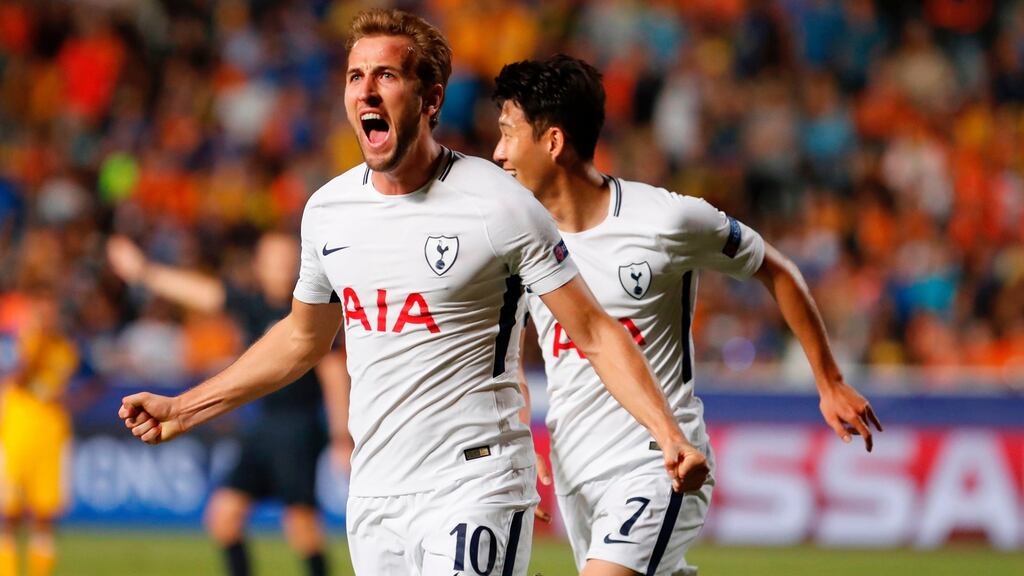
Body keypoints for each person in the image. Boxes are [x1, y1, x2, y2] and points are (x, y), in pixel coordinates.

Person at [118, 8, 708, 575]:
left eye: (386, 75)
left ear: (431, 99)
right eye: (356, 76)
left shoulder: (498, 204)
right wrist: (184, 408)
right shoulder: (327, 212)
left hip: (476, 482)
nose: (367, 91)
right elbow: (301, 338)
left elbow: (595, 331)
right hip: (376, 494)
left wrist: (667, 434)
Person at [492, 54, 883, 576]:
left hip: (661, 464)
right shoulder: (521, 242)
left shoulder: (665, 221)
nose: (498, 153)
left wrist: (828, 380)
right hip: (575, 471)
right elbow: (508, 353)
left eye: (508, 134)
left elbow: (776, 270)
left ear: (553, 142)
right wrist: (520, 438)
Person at [106, 232, 349, 576]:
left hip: (298, 428)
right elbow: (204, 294)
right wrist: (144, 271)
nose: (281, 267)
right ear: (259, 266)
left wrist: (341, 436)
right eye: (273, 260)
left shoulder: (310, 308)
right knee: (224, 516)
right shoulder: (253, 305)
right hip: (264, 426)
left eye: (287, 259)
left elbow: (333, 371)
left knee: (301, 525)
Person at [0, 289, 78, 576]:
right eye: (40, 313)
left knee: (45, 515)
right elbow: (17, 379)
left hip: (51, 435)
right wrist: (34, 350)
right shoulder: (18, 342)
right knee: (9, 513)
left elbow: (89, 382)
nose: (46, 319)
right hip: (17, 431)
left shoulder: (66, 349)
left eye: (50, 313)